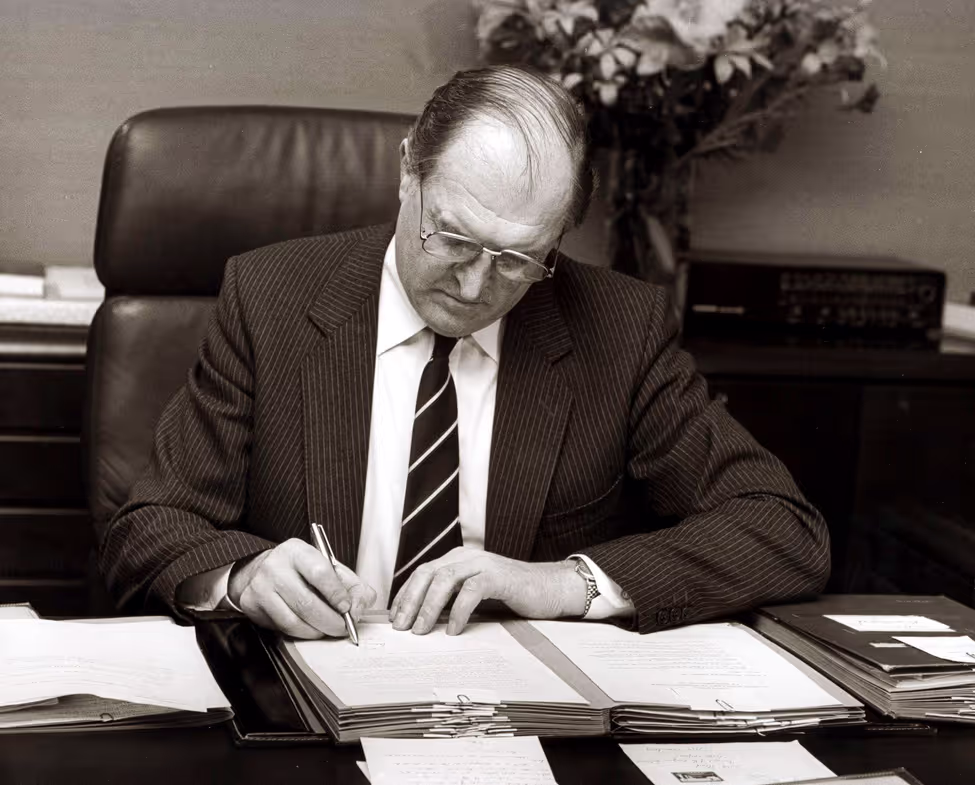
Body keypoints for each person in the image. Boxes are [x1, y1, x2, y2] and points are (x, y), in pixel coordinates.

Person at [99, 64, 829, 641]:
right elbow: (149, 528)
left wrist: (563, 581)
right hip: (308, 713)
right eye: (453, 237)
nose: (477, 284)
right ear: (408, 171)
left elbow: (782, 528)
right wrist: (242, 575)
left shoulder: (619, 328)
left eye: (518, 258)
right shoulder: (271, 299)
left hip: (524, 723)